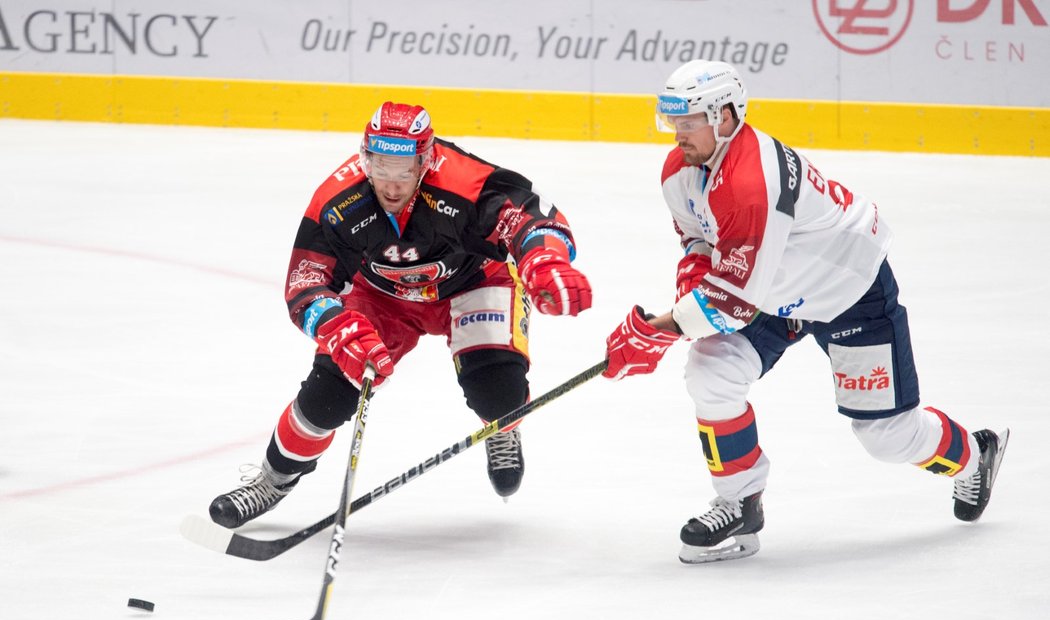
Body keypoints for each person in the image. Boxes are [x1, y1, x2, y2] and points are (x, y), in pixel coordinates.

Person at [601, 60, 1010, 563]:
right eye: (673, 123)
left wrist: (656, 330)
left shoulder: (752, 181)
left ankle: (975, 456)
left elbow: (729, 303)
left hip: (848, 287)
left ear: (726, 117)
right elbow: (698, 244)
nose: (678, 135)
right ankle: (740, 503)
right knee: (711, 371)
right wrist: (686, 296)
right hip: (772, 290)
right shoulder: (680, 174)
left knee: (886, 436)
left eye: (690, 123)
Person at [208, 101, 592, 529]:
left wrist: (546, 260)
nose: (391, 184)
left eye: (403, 170)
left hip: (474, 282)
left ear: (425, 161)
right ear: (365, 158)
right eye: (380, 167)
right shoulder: (339, 201)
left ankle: (501, 428)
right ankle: (271, 480)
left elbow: (530, 217)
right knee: (329, 396)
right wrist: (336, 326)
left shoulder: (461, 182)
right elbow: (305, 281)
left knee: (497, 394)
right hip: (380, 297)